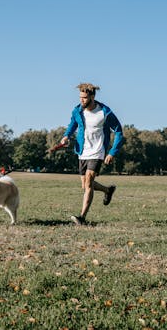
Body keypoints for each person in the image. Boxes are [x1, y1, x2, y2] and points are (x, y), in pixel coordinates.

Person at [60, 83, 124, 225]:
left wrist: (112, 152)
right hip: (82, 151)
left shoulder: (104, 113)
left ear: (92, 97)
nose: (81, 100)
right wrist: (66, 136)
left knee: (89, 182)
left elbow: (119, 131)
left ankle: (82, 218)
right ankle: (108, 190)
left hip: (98, 151)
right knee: (85, 185)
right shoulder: (78, 111)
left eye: (84, 98)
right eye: (80, 97)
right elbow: (72, 125)